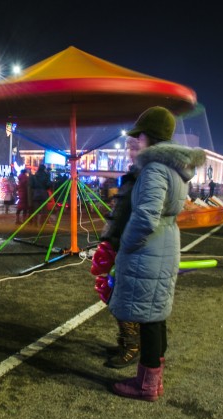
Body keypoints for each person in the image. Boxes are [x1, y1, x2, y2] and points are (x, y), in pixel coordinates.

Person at [107, 106, 206, 402]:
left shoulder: (154, 169)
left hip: (147, 250)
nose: (136, 141)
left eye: (139, 136)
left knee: (148, 319)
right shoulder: (174, 168)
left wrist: (126, 244)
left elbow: (146, 217)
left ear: (148, 136)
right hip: (164, 244)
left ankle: (146, 385)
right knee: (156, 316)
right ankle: (151, 380)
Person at [92, 136, 142, 369]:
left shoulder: (144, 176)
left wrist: (123, 243)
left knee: (123, 299)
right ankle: (125, 342)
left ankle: (132, 347)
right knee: (115, 294)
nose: (130, 151)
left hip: (127, 246)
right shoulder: (134, 175)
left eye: (135, 147)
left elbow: (140, 216)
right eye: (129, 147)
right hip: (118, 243)